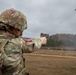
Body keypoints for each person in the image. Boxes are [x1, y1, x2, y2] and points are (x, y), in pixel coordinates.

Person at [0, 8, 47, 75]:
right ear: (16, 29)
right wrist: (41, 40)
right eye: (20, 30)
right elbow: (32, 44)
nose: (21, 34)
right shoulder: (16, 43)